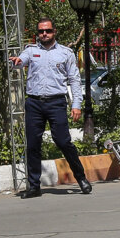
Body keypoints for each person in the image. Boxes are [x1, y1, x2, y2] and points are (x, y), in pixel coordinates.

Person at [9, 18, 92, 198]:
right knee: (33, 145)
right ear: (37, 34)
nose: (44, 34)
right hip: (34, 103)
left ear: (54, 32)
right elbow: (21, 61)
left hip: (56, 103)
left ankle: (81, 178)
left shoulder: (66, 53)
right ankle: (34, 186)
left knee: (63, 142)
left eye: (47, 31)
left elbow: (75, 80)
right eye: (41, 31)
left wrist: (76, 104)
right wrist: (16, 61)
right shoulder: (30, 51)